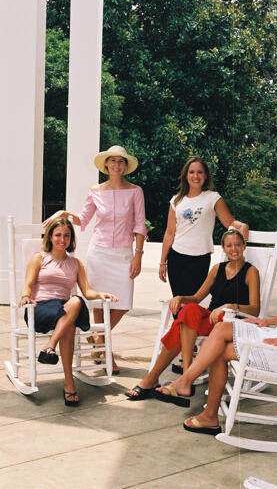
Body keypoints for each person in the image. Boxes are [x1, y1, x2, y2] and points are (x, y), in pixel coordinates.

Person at [154, 229, 277, 435]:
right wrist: (267, 321)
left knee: (219, 348)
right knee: (221, 333)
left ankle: (192, 391)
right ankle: (201, 404)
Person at [43, 145, 147, 374]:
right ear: (106, 165)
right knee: (99, 304)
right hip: (98, 253)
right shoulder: (95, 191)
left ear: (125, 166)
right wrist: (65, 214)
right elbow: (84, 219)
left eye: (121, 162)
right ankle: (103, 350)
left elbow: (140, 224)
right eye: (113, 161)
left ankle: (99, 340)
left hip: (123, 254)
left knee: (123, 304)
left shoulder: (135, 191)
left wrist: (138, 255)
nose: (117, 165)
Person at [125, 228, 260, 400]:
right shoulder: (217, 269)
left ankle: (153, 379)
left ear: (244, 246)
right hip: (212, 318)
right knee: (188, 310)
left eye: (238, 245)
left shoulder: (251, 272)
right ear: (223, 248)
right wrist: (180, 297)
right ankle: (186, 374)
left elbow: (255, 308)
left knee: (179, 325)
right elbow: (196, 298)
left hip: (229, 322)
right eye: (229, 245)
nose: (234, 249)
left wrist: (230, 306)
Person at [20, 217, 118, 406]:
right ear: (50, 237)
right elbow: (28, 284)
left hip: (65, 307)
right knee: (70, 325)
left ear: (71, 238)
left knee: (75, 302)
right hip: (41, 307)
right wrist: (25, 296)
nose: (62, 240)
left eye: (66, 235)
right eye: (58, 235)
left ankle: (51, 347)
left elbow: (87, 292)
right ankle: (69, 382)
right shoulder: (39, 258)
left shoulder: (76, 263)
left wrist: (101, 294)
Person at [159, 156, 249, 298]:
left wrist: (242, 226)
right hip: (176, 257)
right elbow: (170, 233)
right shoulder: (176, 201)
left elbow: (229, 222)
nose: (196, 176)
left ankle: (181, 321)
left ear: (206, 175)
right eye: (191, 172)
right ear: (186, 175)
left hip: (200, 259)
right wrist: (162, 262)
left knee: (189, 302)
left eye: (200, 172)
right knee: (178, 302)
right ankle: (179, 322)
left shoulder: (213, 198)